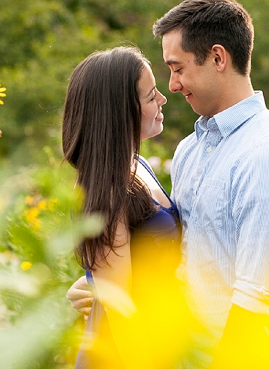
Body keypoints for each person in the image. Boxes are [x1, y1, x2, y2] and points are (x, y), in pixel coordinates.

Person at [66, 0, 269, 368]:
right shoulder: (188, 151)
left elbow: (256, 298)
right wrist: (101, 285)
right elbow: (175, 256)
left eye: (177, 68)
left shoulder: (266, 153)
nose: (172, 86)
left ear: (217, 58)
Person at [62, 46, 192, 368]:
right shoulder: (106, 190)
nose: (163, 99)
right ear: (121, 112)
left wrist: (92, 281)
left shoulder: (137, 165)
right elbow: (121, 315)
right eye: (150, 97)